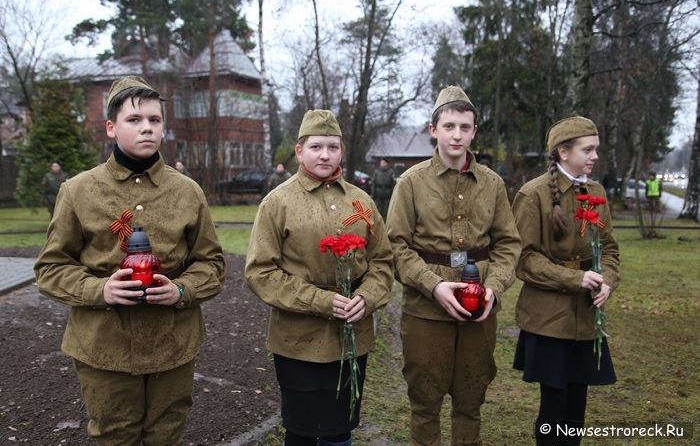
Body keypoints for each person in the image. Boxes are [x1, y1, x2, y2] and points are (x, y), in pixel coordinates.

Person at [34, 75, 226, 446]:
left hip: (173, 342)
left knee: (166, 435)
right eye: (134, 120)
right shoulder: (78, 191)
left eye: (154, 120)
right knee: (114, 436)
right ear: (111, 128)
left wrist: (182, 288)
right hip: (104, 345)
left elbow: (212, 264)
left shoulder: (187, 191)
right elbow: (51, 269)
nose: (147, 129)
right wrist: (99, 289)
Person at [245, 109, 394, 446]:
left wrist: (367, 297)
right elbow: (260, 272)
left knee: (340, 427)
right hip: (299, 339)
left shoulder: (362, 201)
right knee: (301, 428)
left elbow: (383, 260)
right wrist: (321, 301)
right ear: (299, 151)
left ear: (342, 150)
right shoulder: (277, 202)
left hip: (352, 337)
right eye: (315, 147)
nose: (324, 155)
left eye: (332, 146)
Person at [387, 86, 522, 446]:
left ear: (474, 131)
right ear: (434, 129)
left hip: (480, 312)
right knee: (425, 403)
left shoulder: (493, 184)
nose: (457, 135)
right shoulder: (411, 183)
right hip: (425, 312)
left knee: (471, 400)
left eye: (465, 126)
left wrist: (494, 287)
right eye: (449, 126)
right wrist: (433, 285)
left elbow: (508, 243)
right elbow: (395, 246)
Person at [511, 116, 620, 446]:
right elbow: (524, 259)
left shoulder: (596, 192)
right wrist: (574, 278)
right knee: (554, 405)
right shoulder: (534, 195)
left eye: (596, 149)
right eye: (588, 149)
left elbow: (610, 248)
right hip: (548, 318)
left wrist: (608, 281)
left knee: (577, 404)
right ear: (562, 152)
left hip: (586, 316)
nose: (595, 156)